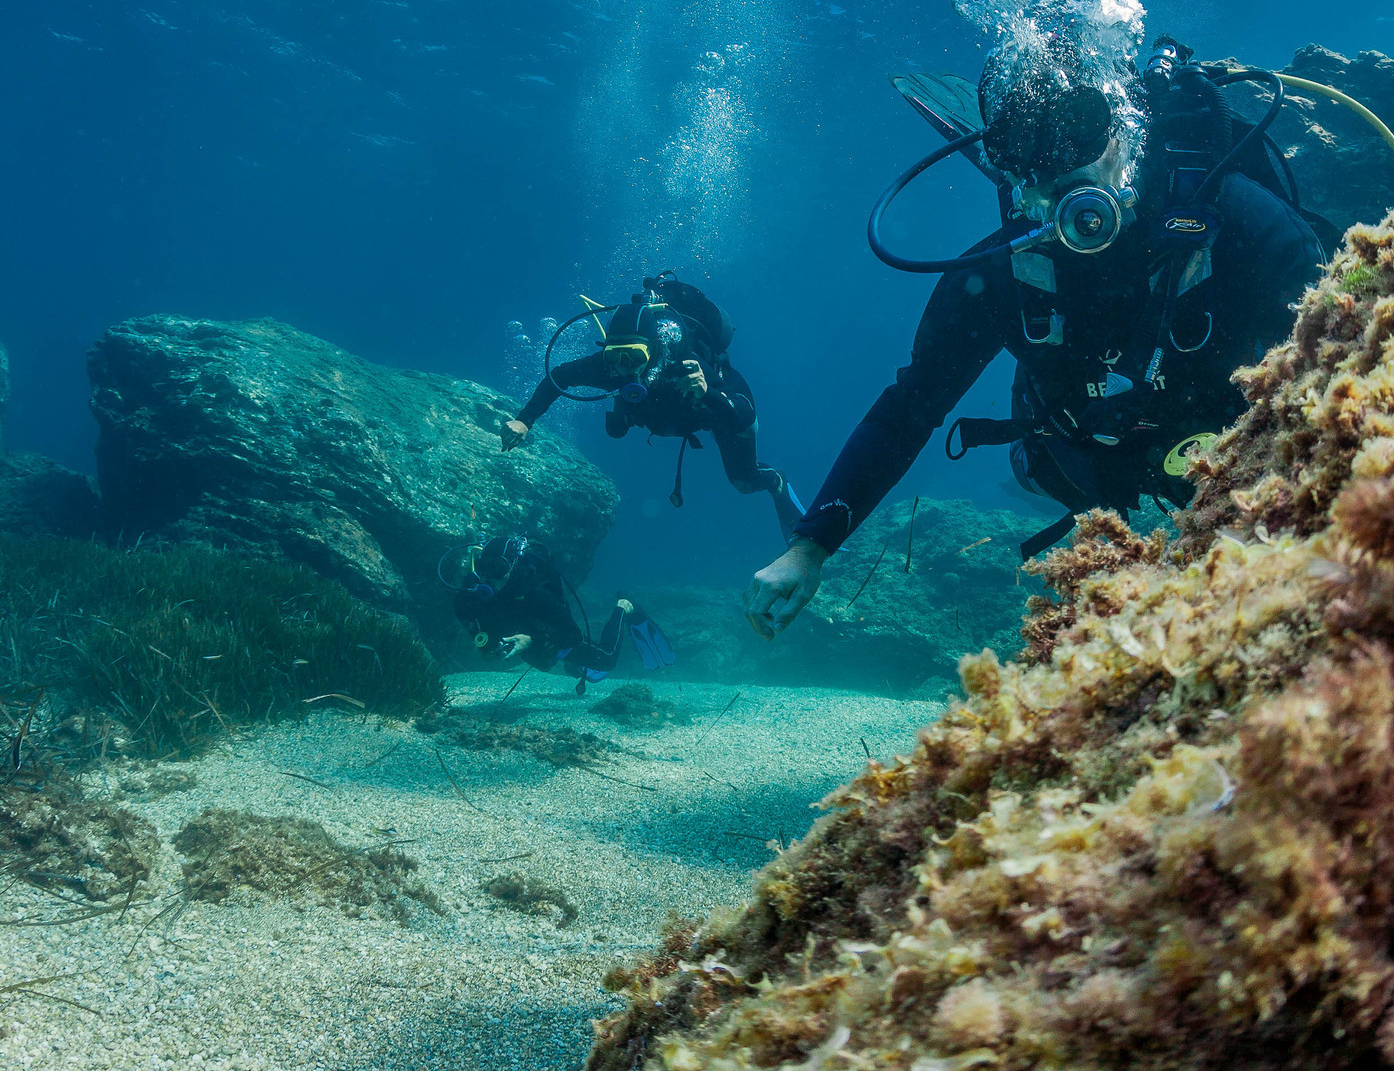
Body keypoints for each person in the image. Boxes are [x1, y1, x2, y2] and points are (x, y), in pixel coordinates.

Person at [742, 34, 1327, 638]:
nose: (1058, 162)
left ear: (1127, 123)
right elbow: (911, 408)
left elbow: (1328, 353)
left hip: (1231, 444)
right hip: (1087, 461)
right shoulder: (999, 276)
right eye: (1024, 143)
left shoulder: (1238, 218)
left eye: (1080, 124)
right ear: (1003, 165)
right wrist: (809, 548)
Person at [502, 273, 805, 541]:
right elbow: (559, 376)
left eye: (633, 357)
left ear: (652, 351)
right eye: (614, 358)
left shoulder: (683, 364)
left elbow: (744, 417)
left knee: (744, 482)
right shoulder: (608, 366)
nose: (622, 369)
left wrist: (707, 393)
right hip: (673, 415)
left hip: (716, 412)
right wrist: (524, 421)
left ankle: (776, 481)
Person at [450, 533, 675, 689]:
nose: (491, 578)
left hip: (554, 638)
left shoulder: (538, 593)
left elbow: (572, 636)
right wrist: (481, 642)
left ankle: (624, 605)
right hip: (529, 643)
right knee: (548, 663)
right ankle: (573, 666)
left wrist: (531, 640)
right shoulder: (473, 590)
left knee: (605, 660)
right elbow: (467, 615)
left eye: (498, 569)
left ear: (512, 567)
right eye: (484, 568)